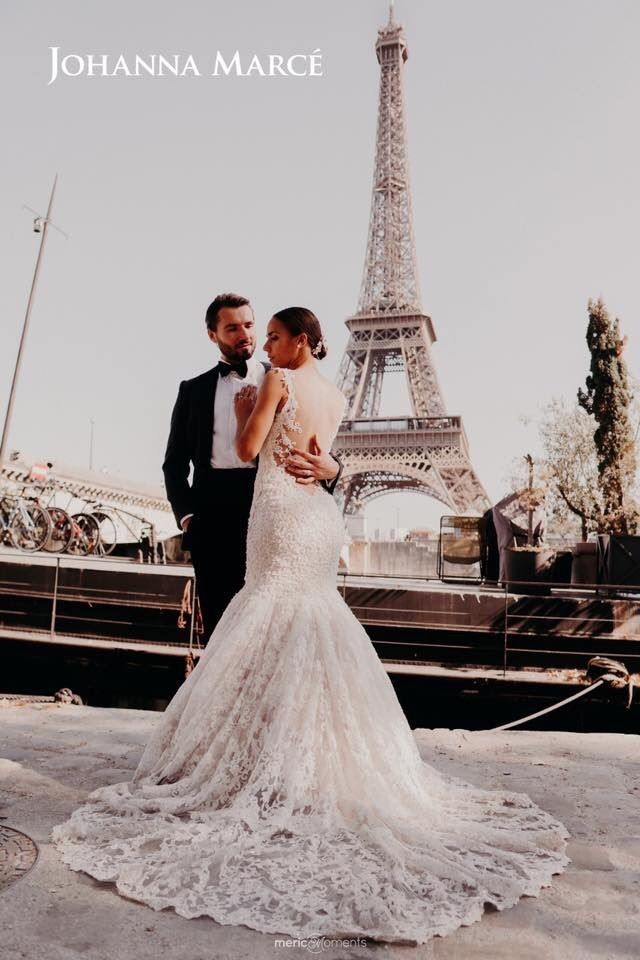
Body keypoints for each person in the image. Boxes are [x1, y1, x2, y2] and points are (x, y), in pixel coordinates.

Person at [51, 308, 569, 944]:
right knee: (307, 628)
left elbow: (247, 448)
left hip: (277, 516)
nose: (263, 345)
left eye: (271, 335)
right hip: (316, 520)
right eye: (254, 334)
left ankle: (253, 762)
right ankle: (300, 760)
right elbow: (321, 459)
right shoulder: (335, 390)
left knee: (262, 619)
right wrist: (316, 468)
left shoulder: (275, 380)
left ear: (299, 341)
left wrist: (248, 409)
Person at [162, 293, 343, 636]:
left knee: (269, 628)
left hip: (267, 513)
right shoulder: (193, 391)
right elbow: (173, 464)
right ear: (212, 335)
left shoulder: (283, 377)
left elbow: (318, 442)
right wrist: (188, 520)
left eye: (249, 325)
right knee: (218, 631)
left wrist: (333, 469)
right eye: (232, 328)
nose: (244, 334)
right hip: (210, 521)